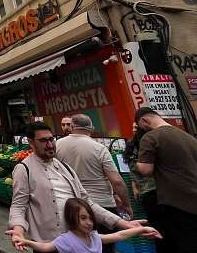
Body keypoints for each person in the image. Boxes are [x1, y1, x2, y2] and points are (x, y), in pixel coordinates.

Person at [7, 122, 144, 251]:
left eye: (51, 139)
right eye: (43, 141)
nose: (49, 145)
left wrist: (122, 223)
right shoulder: (24, 169)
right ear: (31, 142)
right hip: (48, 243)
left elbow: (87, 202)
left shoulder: (65, 168)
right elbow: (19, 205)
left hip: (76, 241)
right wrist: (18, 230)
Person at [55, 114, 132, 252]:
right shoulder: (99, 148)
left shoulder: (57, 145)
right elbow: (117, 181)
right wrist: (126, 205)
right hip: (102, 205)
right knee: (105, 247)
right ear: (91, 128)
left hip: (72, 206)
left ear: (72, 127)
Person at [134, 106, 197, 253]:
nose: (142, 130)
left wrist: (136, 163)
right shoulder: (189, 137)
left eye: (141, 127)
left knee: (183, 245)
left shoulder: (150, 137)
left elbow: (145, 170)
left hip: (176, 202)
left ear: (144, 120)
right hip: (193, 198)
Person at [12, 197, 160, 253]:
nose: (89, 222)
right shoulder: (66, 240)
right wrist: (26, 241)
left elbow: (119, 235)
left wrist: (141, 229)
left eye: (90, 218)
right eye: (83, 218)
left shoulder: (94, 237)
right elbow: (45, 247)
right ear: (72, 219)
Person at [123, 124, 162, 252]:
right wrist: (135, 185)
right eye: (133, 127)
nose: (134, 129)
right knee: (159, 228)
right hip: (151, 191)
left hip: (154, 191)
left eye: (137, 126)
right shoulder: (136, 146)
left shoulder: (148, 143)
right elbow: (136, 170)